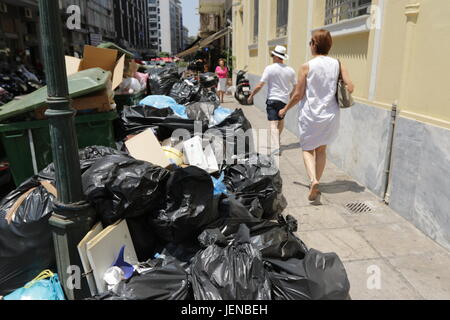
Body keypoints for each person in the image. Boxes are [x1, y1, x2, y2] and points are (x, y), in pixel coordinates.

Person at [278, 29, 354, 202]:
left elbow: (298, 95)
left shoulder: (306, 66)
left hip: (310, 115)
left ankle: (313, 181)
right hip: (331, 115)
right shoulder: (338, 64)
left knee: (307, 149)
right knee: (321, 149)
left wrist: (284, 109)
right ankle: (317, 181)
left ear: (314, 44)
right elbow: (350, 87)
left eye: (310, 43)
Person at [248, 45, 296, 155]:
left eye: (272, 55)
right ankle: (277, 139)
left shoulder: (269, 69)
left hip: (272, 100)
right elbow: (295, 86)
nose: (272, 57)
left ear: (275, 56)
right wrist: (290, 95)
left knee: (273, 124)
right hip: (284, 101)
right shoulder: (290, 70)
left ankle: (275, 147)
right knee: (281, 120)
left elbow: (260, 85)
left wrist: (251, 95)